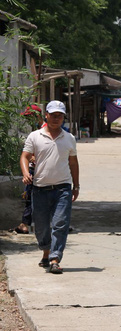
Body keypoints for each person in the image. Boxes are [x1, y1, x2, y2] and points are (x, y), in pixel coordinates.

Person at [19, 101, 80, 275]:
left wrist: (76, 185)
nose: (56, 118)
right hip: (39, 188)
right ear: (46, 115)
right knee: (42, 227)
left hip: (63, 188)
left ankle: (55, 259)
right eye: (53, 115)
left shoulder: (69, 138)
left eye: (59, 115)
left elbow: (73, 162)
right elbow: (25, 156)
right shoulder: (35, 136)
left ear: (63, 117)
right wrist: (25, 173)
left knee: (60, 223)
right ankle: (46, 252)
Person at [12, 104, 43, 234]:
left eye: (30, 117)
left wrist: (33, 157)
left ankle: (25, 223)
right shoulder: (36, 130)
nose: (28, 120)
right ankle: (26, 223)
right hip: (33, 169)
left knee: (31, 196)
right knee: (30, 196)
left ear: (37, 117)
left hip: (38, 170)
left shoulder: (43, 130)